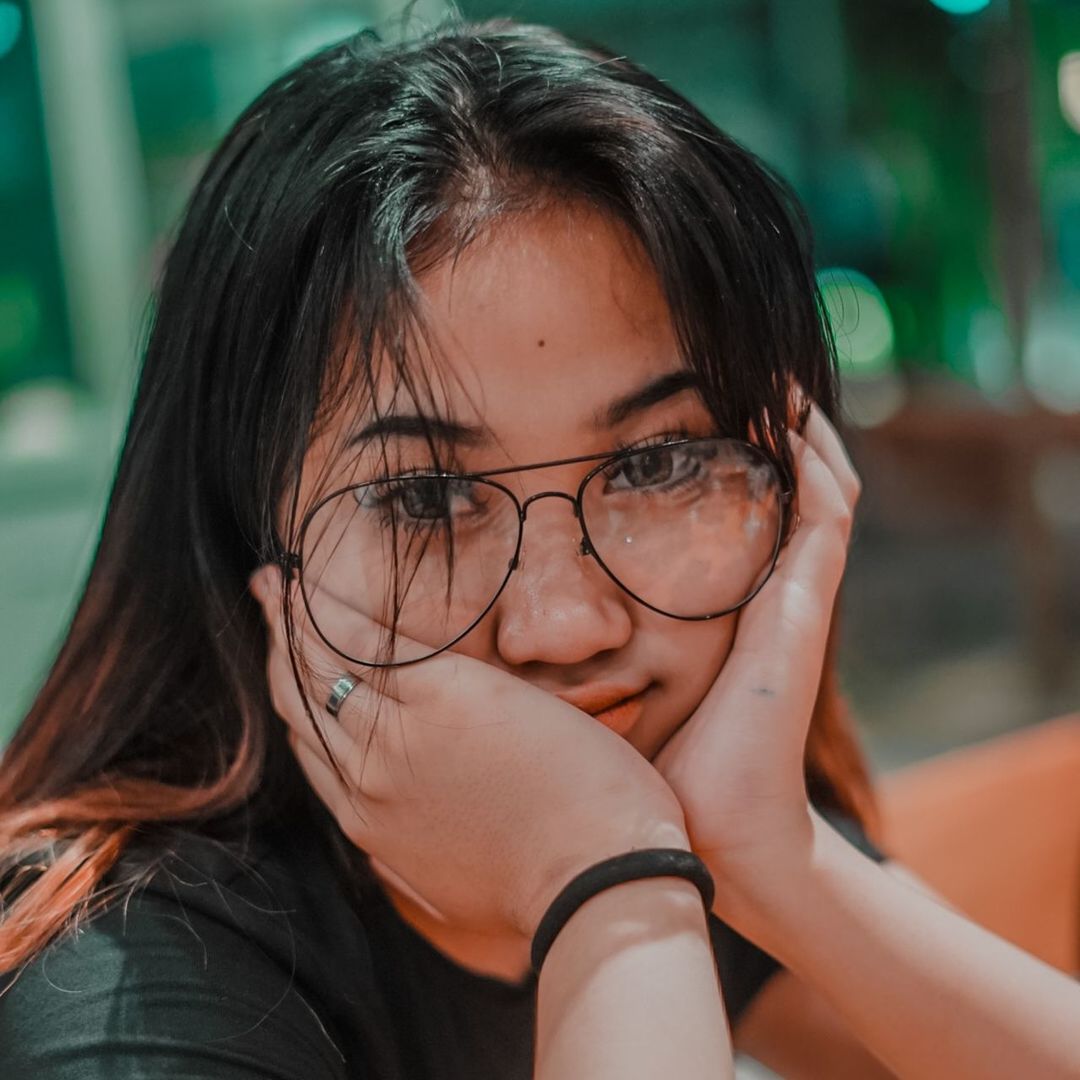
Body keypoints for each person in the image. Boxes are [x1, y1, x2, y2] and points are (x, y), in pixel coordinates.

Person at [0, 18, 1076, 1080]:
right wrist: (603, 869)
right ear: (246, 541)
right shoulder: (118, 993)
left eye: (657, 464)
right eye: (425, 497)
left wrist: (774, 856)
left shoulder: (686, 803)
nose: (566, 626)